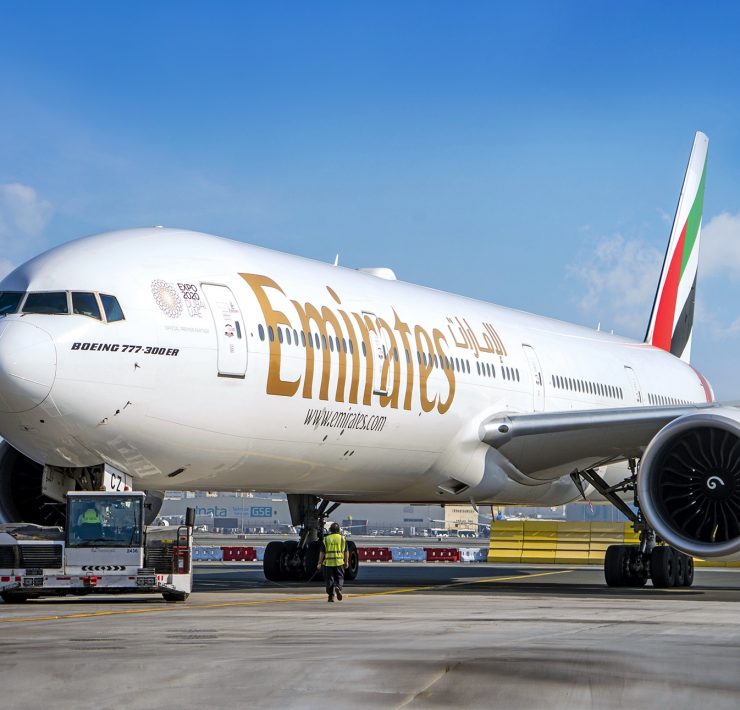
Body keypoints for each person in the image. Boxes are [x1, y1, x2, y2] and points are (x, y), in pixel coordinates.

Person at [317, 522, 348, 602]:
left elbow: (322, 552)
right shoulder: (342, 538)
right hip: (339, 562)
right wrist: (346, 562)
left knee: (329, 580)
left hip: (328, 563)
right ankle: (338, 587)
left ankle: (331, 596)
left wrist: (319, 563)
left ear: (330, 530)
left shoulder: (326, 539)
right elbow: (346, 552)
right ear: (338, 530)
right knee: (340, 577)